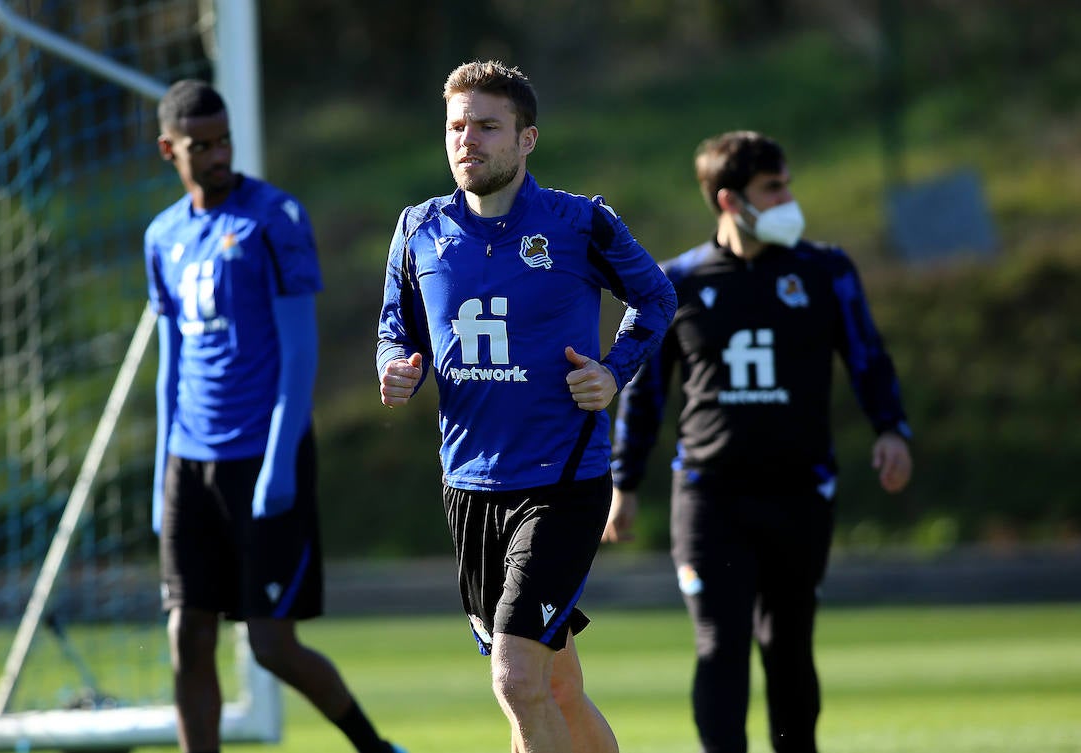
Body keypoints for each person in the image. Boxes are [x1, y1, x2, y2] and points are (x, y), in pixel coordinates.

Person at [377, 60, 677, 752]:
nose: (467, 140)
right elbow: (397, 327)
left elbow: (656, 296)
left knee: (515, 678)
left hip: (563, 479)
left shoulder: (580, 223)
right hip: (471, 483)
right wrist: (394, 367)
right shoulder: (419, 229)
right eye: (457, 125)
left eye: (487, 125)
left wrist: (613, 371)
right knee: (556, 687)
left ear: (527, 138)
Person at [604, 130, 914, 753]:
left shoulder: (824, 270)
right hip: (710, 496)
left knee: (788, 644)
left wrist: (891, 429)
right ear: (729, 200)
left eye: (787, 184)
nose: (788, 199)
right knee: (720, 643)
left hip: (799, 492)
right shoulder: (674, 284)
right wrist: (624, 483)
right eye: (773, 188)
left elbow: (867, 357)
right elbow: (645, 393)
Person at [144, 79, 403, 753]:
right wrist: (160, 469)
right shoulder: (163, 236)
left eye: (224, 139)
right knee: (186, 633)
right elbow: (169, 361)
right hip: (187, 461)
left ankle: (375, 747)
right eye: (201, 145)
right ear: (169, 149)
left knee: (270, 643)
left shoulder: (274, 219)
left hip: (262, 455)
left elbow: (300, 352)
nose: (218, 154)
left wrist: (281, 458)